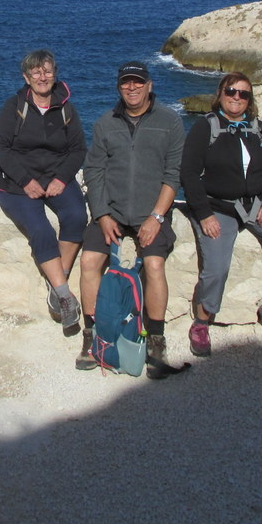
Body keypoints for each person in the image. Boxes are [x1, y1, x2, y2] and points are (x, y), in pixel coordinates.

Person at [180, 72, 262, 357]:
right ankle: (202, 320)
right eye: (231, 91)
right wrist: (204, 214)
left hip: (258, 203)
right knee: (216, 266)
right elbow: (188, 172)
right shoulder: (205, 128)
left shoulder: (259, 129)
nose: (236, 97)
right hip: (218, 206)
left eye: (243, 94)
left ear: (250, 100)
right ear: (220, 94)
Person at [79, 61, 188, 378]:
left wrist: (156, 217)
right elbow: (94, 171)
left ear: (149, 85)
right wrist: (101, 214)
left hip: (150, 213)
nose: (132, 87)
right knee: (89, 262)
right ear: (119, 87)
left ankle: (156, 338)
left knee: (154, 265)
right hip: (111, 212)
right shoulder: (105, 123)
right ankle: (93, 334)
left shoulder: (170, 122)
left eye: (138, 82)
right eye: (126, 82)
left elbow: (173, 175)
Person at [0, 49, 87, 336]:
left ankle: (57, 283)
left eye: (47, 71)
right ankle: (65, 297)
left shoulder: (66, 108)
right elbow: (0, 148)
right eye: (36, 72)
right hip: (15, 183)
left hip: (55, 178)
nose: (42, 77)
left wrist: (61, 178)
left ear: (54, 74)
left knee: (76, 216)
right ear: (26, 77)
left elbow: (78, 149)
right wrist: (25, 181)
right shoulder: (14, 106)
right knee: (41, 229)